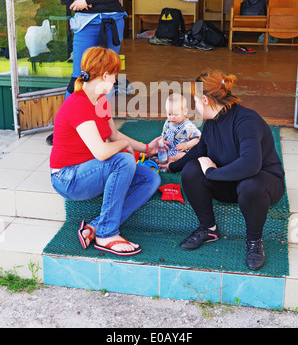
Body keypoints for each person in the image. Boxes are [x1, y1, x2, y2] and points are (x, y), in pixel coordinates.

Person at [168, 70, 285, 270]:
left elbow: (251, 164)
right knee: (191, 170)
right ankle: (208, 229)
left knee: (250, 185)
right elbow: (200, 150)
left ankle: (254, 242)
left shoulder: (246, 120)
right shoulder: (212, 123)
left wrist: (212, 173)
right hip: (231, 183)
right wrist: (171, 166)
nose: (194, 106)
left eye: (195, 100)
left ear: (204, 100)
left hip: (262, 185)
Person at [50, 46, 161, 256]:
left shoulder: (101, 101)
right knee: (123, 161)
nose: (115, 80)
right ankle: (107, 234)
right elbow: (102, 152)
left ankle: (95, 226)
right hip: (68, 178)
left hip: (90, 170)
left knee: (150, 179)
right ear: (105, 74)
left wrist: (147, 148)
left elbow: (114, 136)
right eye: (115, 75)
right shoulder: (77, 103)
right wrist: (125, 148)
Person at [46, 0, 127, 144]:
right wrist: (69, 3)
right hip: (86, 23)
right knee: (79, 76)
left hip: (113, 20)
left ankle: (102, 127)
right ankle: (66, 127)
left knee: (107, 76)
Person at [160, 93, 201, 165]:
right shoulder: (168, 122)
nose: (172, 117)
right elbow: (164, 135)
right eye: (169, 114)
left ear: (185, 112)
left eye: (176, 114)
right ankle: (162, 159)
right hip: (169, 148)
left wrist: (186, 145)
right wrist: (163, 140)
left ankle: (169, 161)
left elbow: (197, 140)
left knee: (183, 157)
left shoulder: (188, 126)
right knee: (158, 149)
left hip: (182, 151)